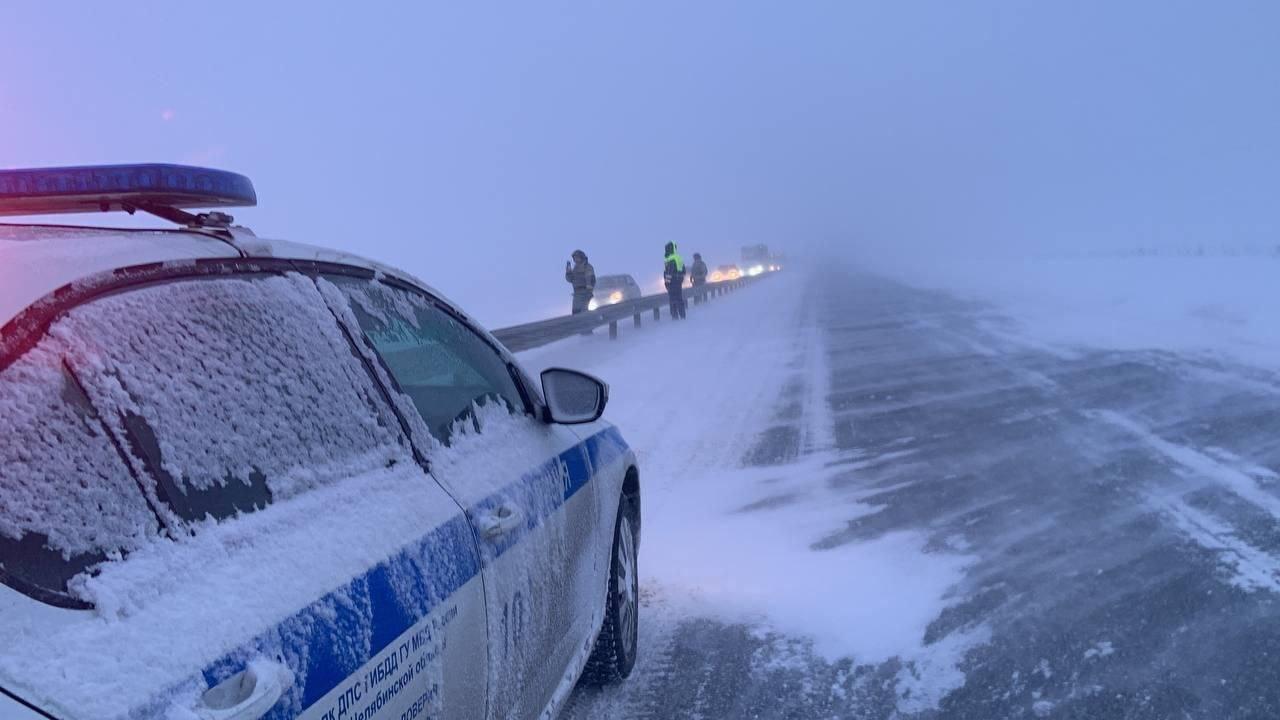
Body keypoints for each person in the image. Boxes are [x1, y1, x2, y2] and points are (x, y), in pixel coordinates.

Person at [565, 250, 595, 315]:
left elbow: (589, 278)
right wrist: (568, 272)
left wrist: (588, 289)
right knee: (575, 312)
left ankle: (585, 323)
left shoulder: (587, 266)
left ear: (581, 257)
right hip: (577, 293)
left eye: (577, 257)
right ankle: (577, 324)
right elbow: (570, 280)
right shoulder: (575, 268)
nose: (576, 259)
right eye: (575, 258)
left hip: (585, 293)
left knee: (583, 312)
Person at [663, 241, 687, 319]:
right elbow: (684, 271)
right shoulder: (678, 258)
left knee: (673, 301)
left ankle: (675, 317)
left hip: (672, 283)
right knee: (679, 299)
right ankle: (683, 316)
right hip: (678, 282)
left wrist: (667, 283)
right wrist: (680, 279)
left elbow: (668, 273)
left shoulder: (670, 259)